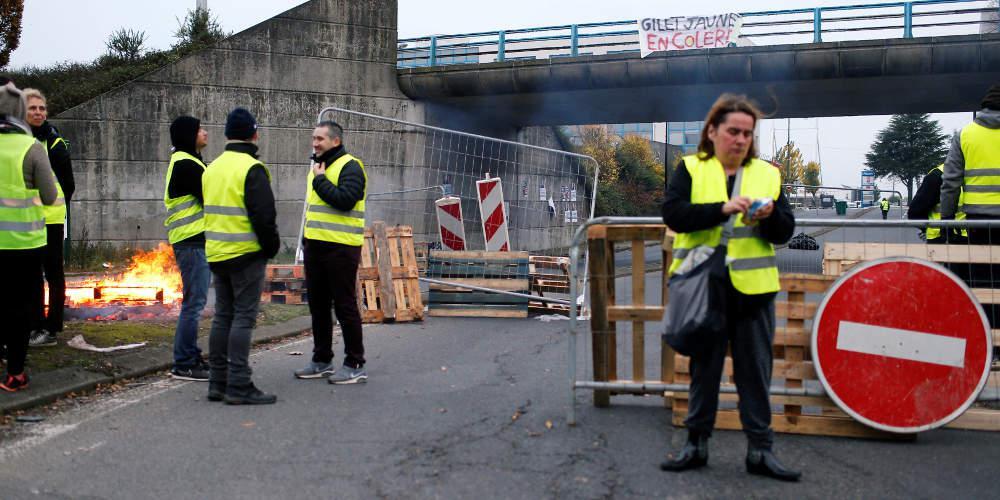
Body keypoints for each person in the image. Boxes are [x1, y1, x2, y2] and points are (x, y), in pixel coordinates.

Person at [660, 94, 799, 481]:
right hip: (704, 288)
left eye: (747, 133)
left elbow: (785, 231)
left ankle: (760, 451)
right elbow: (673, 214)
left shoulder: (768, 175)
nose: (740, 139)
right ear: (713, 131)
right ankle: (696, 445)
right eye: (733, 131)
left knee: (755, 373)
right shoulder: (691, 168)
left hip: (753, 292)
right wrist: (721, 210)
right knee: (704, 370)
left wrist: (769, 217)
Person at [202, 108, 280, 405]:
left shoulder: (212, 168)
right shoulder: (251, 168)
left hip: (217, 253)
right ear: (254, 134)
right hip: (246, 254)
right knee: (243, 318)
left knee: (223, 316)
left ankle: (217, 382)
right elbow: (264, 216)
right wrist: (270, 248)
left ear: (227, 134)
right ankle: (238, 384)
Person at [293, 120, 368, 384]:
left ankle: (355, 363)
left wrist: (320, 180)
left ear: (336, 141)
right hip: (316, 246)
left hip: (341, 247)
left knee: (345, 306)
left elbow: (346, 200)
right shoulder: (318, 168)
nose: (315, 143)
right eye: (313, 138)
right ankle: (322, 360)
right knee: (318, 306)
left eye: (320, 139)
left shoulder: (350, 166)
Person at [0, 81, 58, 392]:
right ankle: (15, 373)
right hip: (24, 244)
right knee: (21, 308)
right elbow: (50, 195)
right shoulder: (31, 147)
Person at [23, 89, 75, 348]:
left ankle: (51, 328)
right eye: (33, 108)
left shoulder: (53, 141)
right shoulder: (19, 140)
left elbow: (68, 183)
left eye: (42, 108)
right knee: (31, 275)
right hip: (26, 217)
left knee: (53, 273)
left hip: (51, 218)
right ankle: (33, 324)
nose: (38, 113)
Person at [164, 116, 211, 381]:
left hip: (191, 242)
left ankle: (191, 356)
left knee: (194, 302)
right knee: (193, 304)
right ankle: (184, 362)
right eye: (199, 129)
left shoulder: (188, 161)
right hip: (192, 242)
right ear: (188, 135)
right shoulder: (187, 164)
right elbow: (211, 199)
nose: (205, 132)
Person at [941, 84, 1000, 246]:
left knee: (981, 262)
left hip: (978, 219)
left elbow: (950, 182)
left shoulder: (965, 135)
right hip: (979, 218)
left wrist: (946, 219)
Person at [908, 164, 966, 244]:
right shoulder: (938, 176)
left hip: (942, 239)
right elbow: (915, 212)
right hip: (945, 238)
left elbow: (915, 212)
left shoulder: (937, 175)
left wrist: (925, 229)